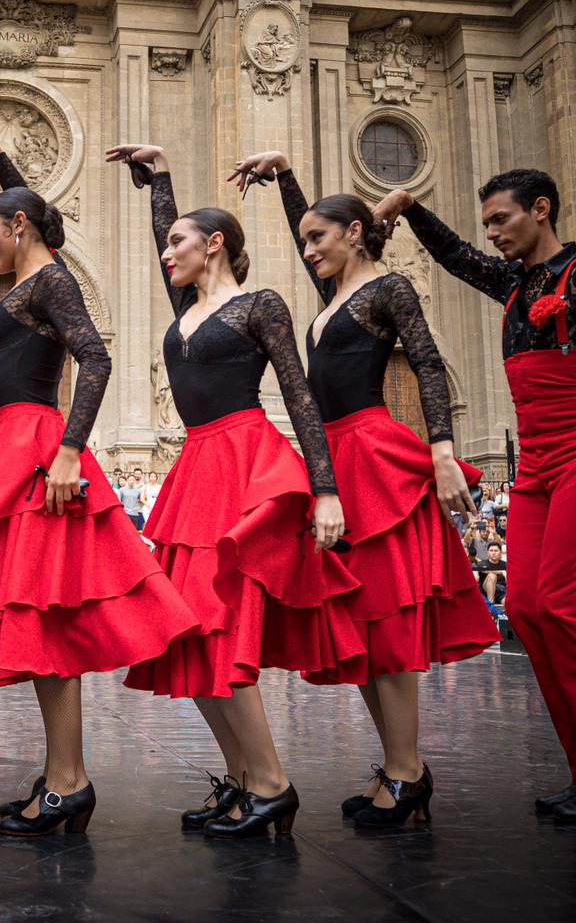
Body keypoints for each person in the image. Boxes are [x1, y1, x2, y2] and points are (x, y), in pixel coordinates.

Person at [380, 167, 576, 826]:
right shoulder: (516, 284)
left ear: (541, 210)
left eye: (501, 219)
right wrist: (409, 207)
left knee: (565, 607)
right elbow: (454, 255)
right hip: (539, 463)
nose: (490, 233)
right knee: (524, 607)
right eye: (488, 222)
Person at [0, 129, 196, 837]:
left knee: (46, 617)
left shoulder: (50, 279)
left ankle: (70, 779)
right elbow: (34, 215)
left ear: (16, 229)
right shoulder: (36, 269)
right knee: (41, 619)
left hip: (40, 448)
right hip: (21, 446)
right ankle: (62, 774)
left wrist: (71, 452)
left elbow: (98, 360)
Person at [232, 147, 499, 829]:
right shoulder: (335, 294)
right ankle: (399, 767)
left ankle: (407, 772)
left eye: (318, 238)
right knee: (365, 628)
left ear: (355, 233)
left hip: (374, 453)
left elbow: (432, 364)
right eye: (304, 241)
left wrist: (442, 449)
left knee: (388, 619)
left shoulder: (389, 289)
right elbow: (311, 229)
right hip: (335, 458)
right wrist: (288, 176)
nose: (308, 249)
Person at [109, 143, 356, 838]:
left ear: (215, 245)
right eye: (166, 243)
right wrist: (159, 174)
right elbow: (169, 224)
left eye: (179, 241)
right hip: (197, 468)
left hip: (245, 463)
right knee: (185, 634)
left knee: (221, 627)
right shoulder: (185, 307)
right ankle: (244, 778)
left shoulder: (260, 307)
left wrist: (324, 490)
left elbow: (300, 396)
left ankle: (273, 783)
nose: (168, 252)